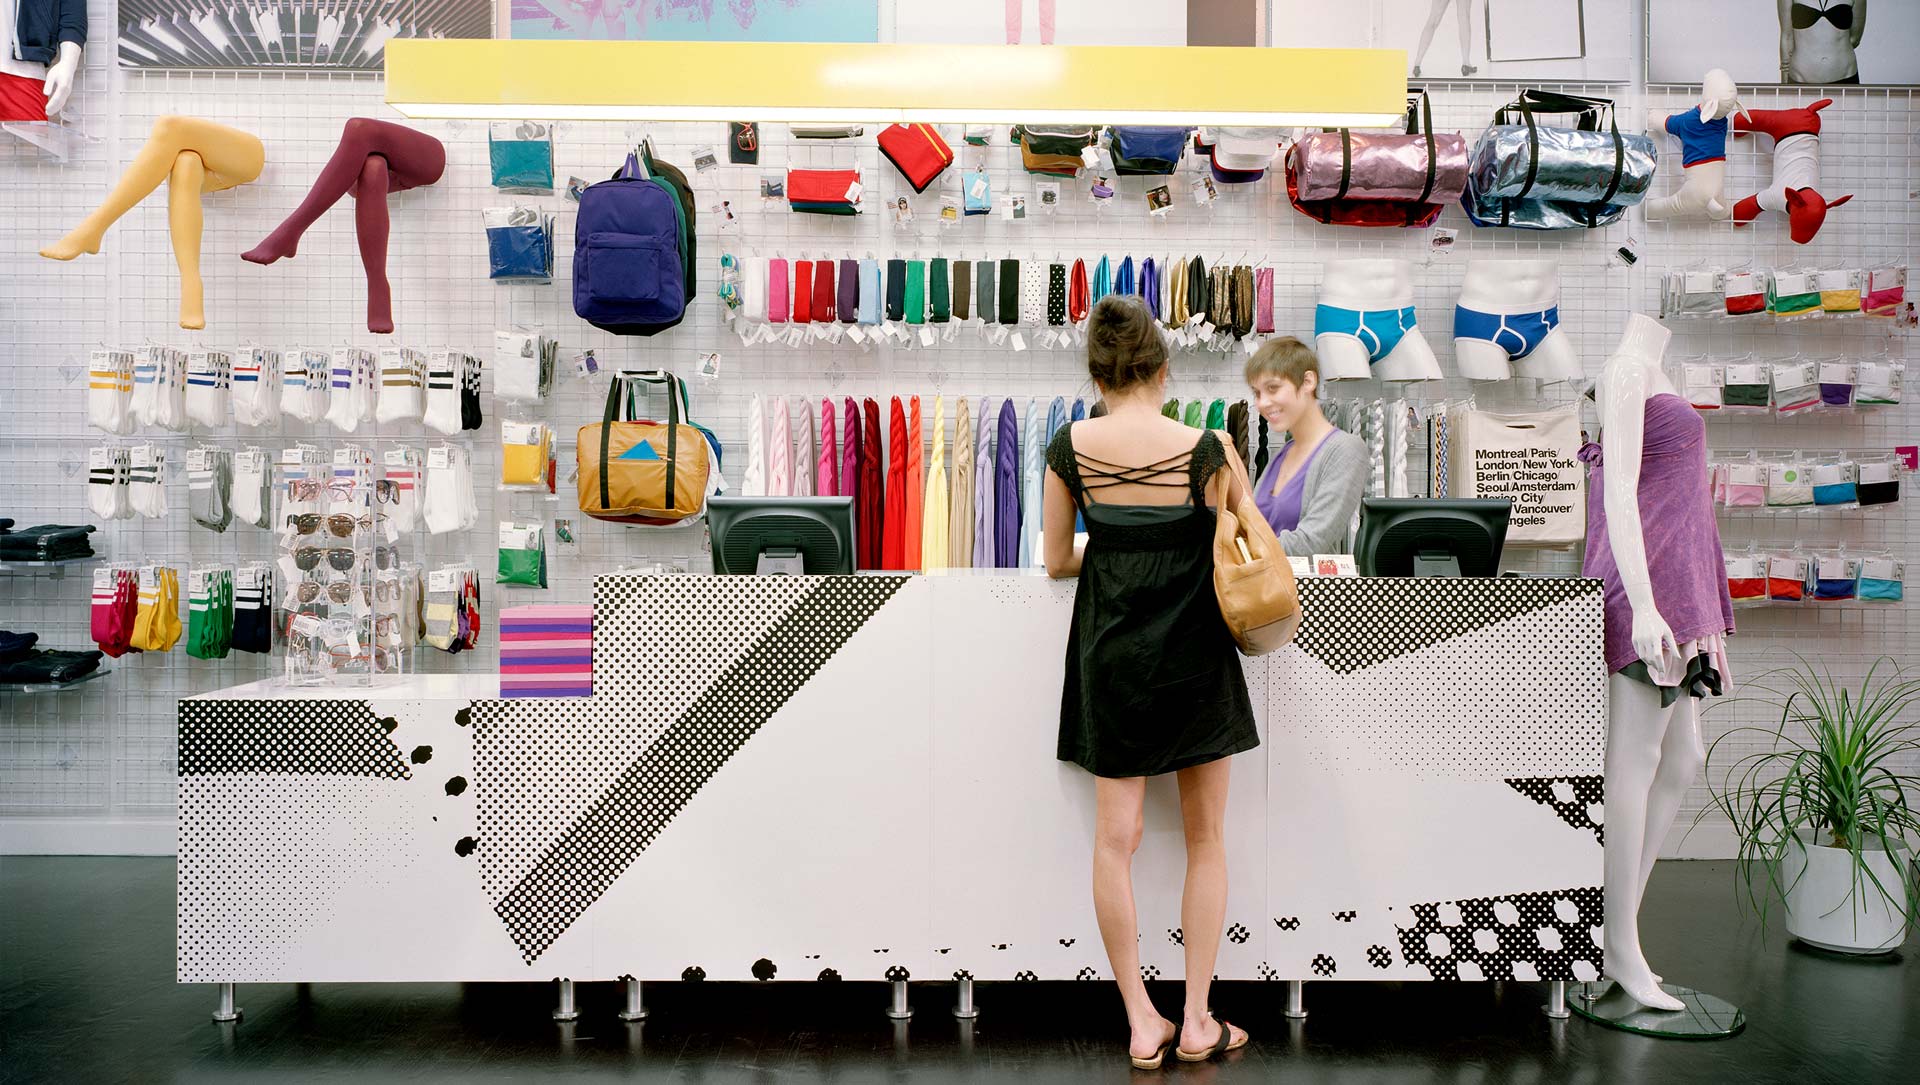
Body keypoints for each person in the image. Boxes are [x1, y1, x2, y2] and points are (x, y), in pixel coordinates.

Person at [1042, 295, 1256, 1069]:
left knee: (1114, 841)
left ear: (1096, 375)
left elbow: (1056, 559)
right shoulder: (1209, 447)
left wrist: (1112, 548)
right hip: (1197, 655)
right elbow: (1250, 543)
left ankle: (1141, 1019)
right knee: (1206, 837)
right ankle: (1197, 1019)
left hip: (1115, 659)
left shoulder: (1069, 447)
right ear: (1164, 368)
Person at [1242, 337, 1369, 555]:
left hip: (1299, 579)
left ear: (1308, 381)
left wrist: (1241, 551)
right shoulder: (1283, 453)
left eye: (1273, 388)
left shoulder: (1346, 450)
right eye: (1257, 393)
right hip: (1262, 577)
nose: (1262, 403)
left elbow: (1311, 541)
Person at [1780, 0, 1864, 85]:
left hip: (1846, 76)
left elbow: (1855, 38)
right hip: (1800, 77)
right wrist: (1784, 86)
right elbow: (1787, 37)